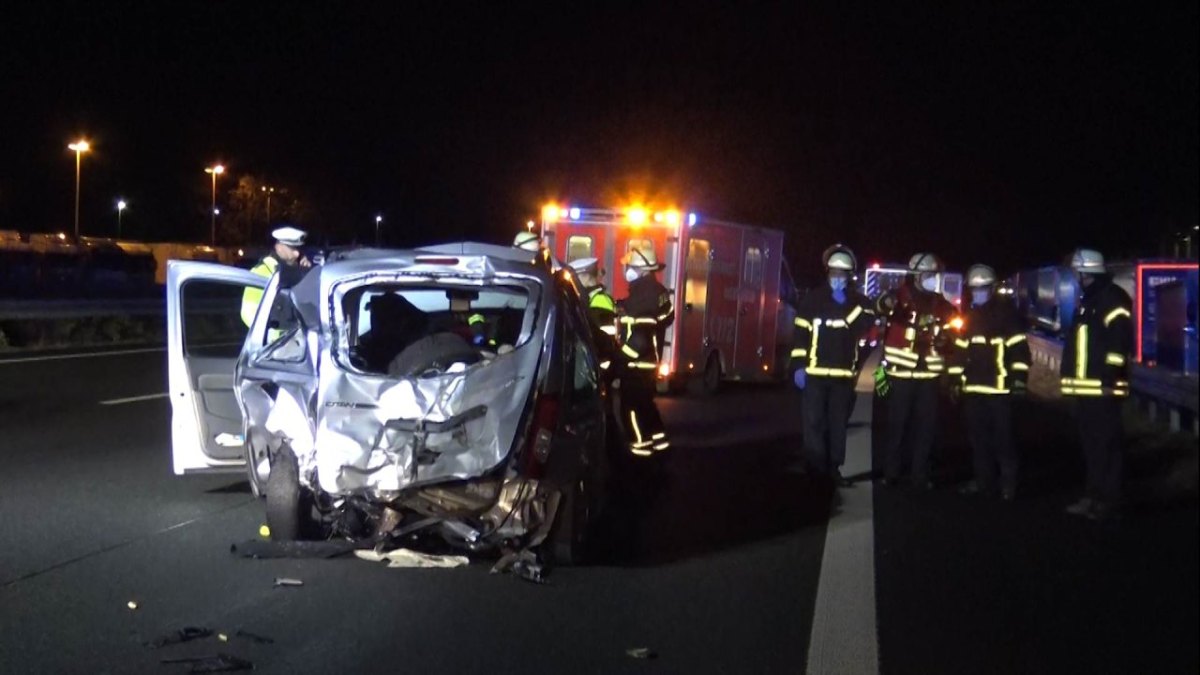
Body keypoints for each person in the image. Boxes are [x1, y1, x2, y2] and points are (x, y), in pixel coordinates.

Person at [876, 252, 962, 489]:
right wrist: (887, 304)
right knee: (897, 426)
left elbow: (954, 330)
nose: (931, 278)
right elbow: (880, 306)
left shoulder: (941, 304)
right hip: (901, 375)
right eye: (927, 274)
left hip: (929, 378)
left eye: (933, 274)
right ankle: (891, 473)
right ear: (915, 275)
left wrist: (948, 341)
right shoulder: (898, 298)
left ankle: (920, 475)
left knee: (926, 428)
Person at [1059, 248, 1133, 521]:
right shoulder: (1090, 299)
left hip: (1102, 388)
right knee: (1092, 448)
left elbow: (1119, 342)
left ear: (1084, 271)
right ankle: (1093, 497)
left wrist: (1109, 377)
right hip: (1087, 388)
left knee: (1106, 447)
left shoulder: (1111, 298)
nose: (1075, 276)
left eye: (1076, 271)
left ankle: (1108, 502)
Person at [791, 244, 873, 486]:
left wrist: (844, 304)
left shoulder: (860, 302)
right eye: (834, 273)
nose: (838, 278)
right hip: (814, 375)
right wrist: (798, 366)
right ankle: (815, 471)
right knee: (814, 423)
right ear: (827, 272)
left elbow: (864, 329)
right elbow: (800, 336)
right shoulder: (812, 300)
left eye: (842, 274)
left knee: (837, 425)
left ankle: (834, 468)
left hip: (843, 376)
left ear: (850, 276)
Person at [947, 264, 1030, 501]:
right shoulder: (969, 318)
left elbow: (1020, 352)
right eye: (974, 289)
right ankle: (984, 482)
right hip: (973, 390)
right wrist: (954, 379)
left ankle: (1008, 486)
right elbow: (960, 352)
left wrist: (1019, 382)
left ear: (991, 289)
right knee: (979, 441)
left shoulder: (1007, 316)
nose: (977, 293)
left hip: (1000, 390)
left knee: (1004, 440)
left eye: (981, 289)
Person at [614, 247, 674, 456]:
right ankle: (660, 444)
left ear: (641, 269)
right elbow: (665, 318)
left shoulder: (642, 296)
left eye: (629, 266)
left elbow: (640, 339)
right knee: (646, 406)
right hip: (649, 363)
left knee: (630, 409)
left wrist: (619, 359)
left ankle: (639, 449)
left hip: (636, 363)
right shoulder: (658, 292)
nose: (626, 270)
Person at [240, 226, 312, 327]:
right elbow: (248, 312)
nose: (297, 254)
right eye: (292, 248)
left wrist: (307, 275)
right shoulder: (262, 271)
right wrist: (273, 334)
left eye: (299, 248)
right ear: (279, 247)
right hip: (277, 339)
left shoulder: (300, 269)